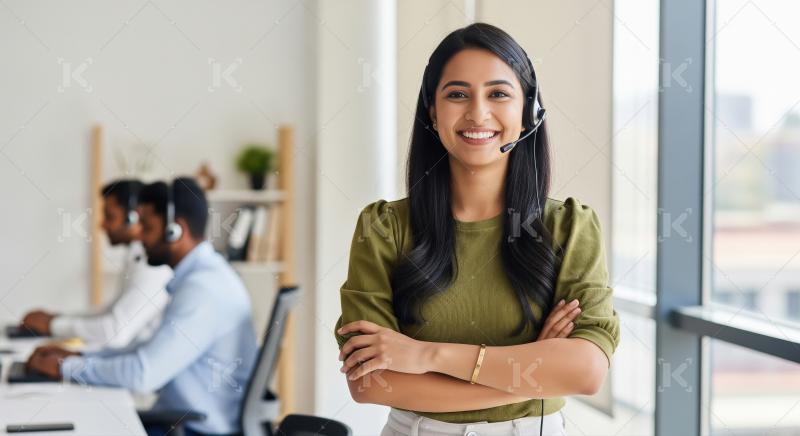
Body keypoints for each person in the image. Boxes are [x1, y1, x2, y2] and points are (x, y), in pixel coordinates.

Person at [334, 23, 620, 436]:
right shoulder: (383, 228)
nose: (478, 113)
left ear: (529, 112)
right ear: (432, 111)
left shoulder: (570, 227)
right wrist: (534, 371)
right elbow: (369, 383)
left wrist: (426, 355)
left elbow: (587, 372)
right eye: (457, 94)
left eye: (498, 94)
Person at [27, 178, 257, 436]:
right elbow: (146, 352)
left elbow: (143, 374)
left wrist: (64, 368)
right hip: (179, 421)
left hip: (194, 430)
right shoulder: (205, 278)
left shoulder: (203, 290)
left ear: (175, 231)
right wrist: (80, 358)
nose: (141, 237)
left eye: (147, 227)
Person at [20, 179, 171, 349]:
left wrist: (54, 325)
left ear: (133, 218)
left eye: (109, 216)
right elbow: (110, 312)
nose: (102, 225)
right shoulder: (136, 257)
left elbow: (115, 332)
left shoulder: (153, 266)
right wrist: (58, 319)